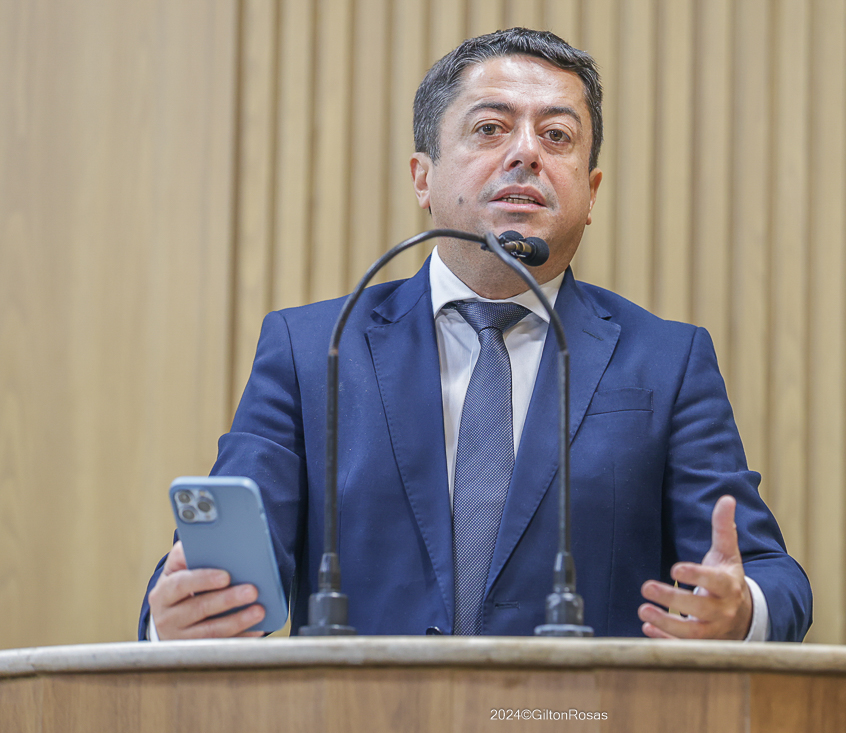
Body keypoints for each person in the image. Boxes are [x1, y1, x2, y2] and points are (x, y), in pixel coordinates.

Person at [139, 28, 812, 642]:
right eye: (491, 128)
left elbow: (768, 574)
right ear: (423, 178)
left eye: (557, 136)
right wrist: (181, 619)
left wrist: (741, 609)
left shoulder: (666, 362)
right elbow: (213, 576)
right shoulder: (313, 350)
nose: (526, 153)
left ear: (591, 190)